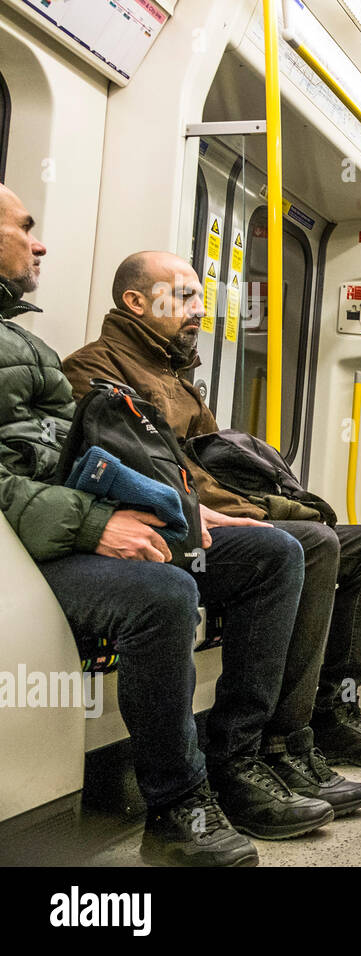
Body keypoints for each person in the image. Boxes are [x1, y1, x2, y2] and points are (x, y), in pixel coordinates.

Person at [0, 184, 334, 866]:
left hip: (57, 525)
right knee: (165, 595)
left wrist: (171, 507)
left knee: (274, 554)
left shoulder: (24, 345)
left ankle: (240, 764)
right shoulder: (86, 364)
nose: (39, 243)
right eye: (24, 227)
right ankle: (177, 807)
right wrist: (96, 524)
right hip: (26, 551)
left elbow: (72, 456)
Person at [61, 250, 361, 775]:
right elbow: (155, 470)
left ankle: (330, 710)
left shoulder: (175, 375)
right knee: (312, 544)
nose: (197, 309)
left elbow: (214, 464)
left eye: (198, 298)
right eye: (182, 296)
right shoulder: (95, 368)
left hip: (217, 511)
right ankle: (275, 741)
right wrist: (262, 510)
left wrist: (266, 503)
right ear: (135, 302)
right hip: (172, 525)